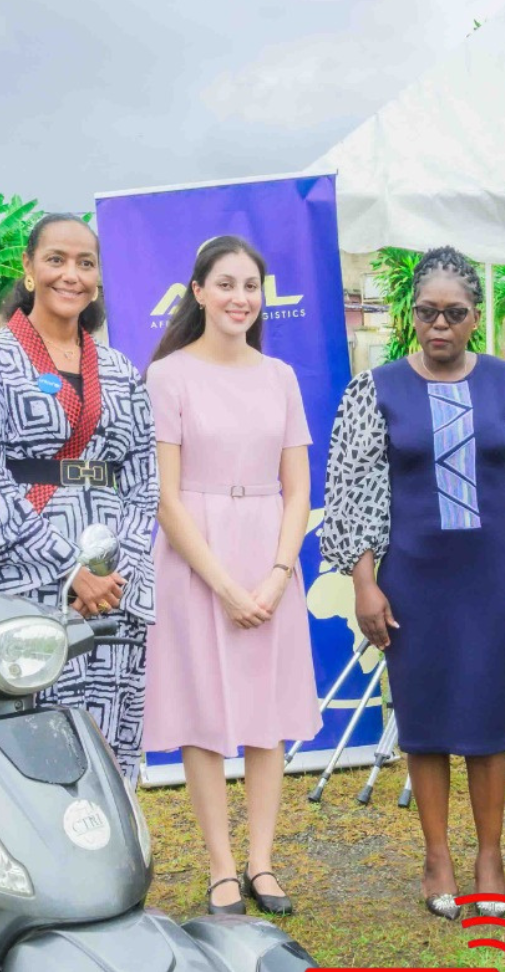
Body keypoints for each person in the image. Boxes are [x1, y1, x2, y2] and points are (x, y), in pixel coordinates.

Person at [322, 246, 505, 921]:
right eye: (427, 312)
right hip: (412, 578)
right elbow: (352, 493)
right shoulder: (374, 389)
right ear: (411, 315)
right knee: (425, 717)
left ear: (475, 317)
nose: (439, 325)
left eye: (454, 314)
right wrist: (364, 584)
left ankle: (490, 857)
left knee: (490, 715)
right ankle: (438, 856)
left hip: (496, 575)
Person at [144, 236, 322, 915]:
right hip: (197, 559)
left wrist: (279, 573)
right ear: (198, 291)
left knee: (266, 715)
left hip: (270, 548)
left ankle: (262, 863)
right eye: (225, 284)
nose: (239, 298)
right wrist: (223, 584)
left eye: (250, 286)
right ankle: (221, 867)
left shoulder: (280, 377)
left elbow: (299, 488)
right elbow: (167, 496)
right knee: (203, 713)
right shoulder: (169, 376)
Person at [0, 213, 158, 771]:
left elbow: (143, 477)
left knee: (109, 742)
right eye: (56, 260)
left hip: (113, 588)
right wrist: (70, 572)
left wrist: (119, 570)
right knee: (31, 745)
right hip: (26, 579)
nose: (72, 275)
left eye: (86, 263)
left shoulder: (118, 369)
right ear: (29, 269)